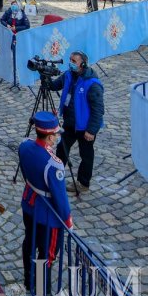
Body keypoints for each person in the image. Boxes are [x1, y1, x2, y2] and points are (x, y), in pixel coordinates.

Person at [18, 111, 72, 296]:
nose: (57, 137)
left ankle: (28, 280)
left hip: (29, 203)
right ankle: (43, 293)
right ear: (49, 137)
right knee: (47, 254)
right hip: (46, 215)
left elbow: (25, 173)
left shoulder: (24, 146)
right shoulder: (54, 164)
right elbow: (60, 198)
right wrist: (68, 221)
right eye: (56, 135)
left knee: (29, 242)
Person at [54, 51, 103, 193]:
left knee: (86, 155)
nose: (70, 63)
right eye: (70, 60)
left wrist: (91, 130)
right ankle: (55, 175)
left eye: (74, 61)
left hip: (85, 127)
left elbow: (98, 110)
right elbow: (54, 85)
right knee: (61, 149)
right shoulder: (68, 75)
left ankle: (83, 183)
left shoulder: (92, 83)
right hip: (70, 123)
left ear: (83, 64)